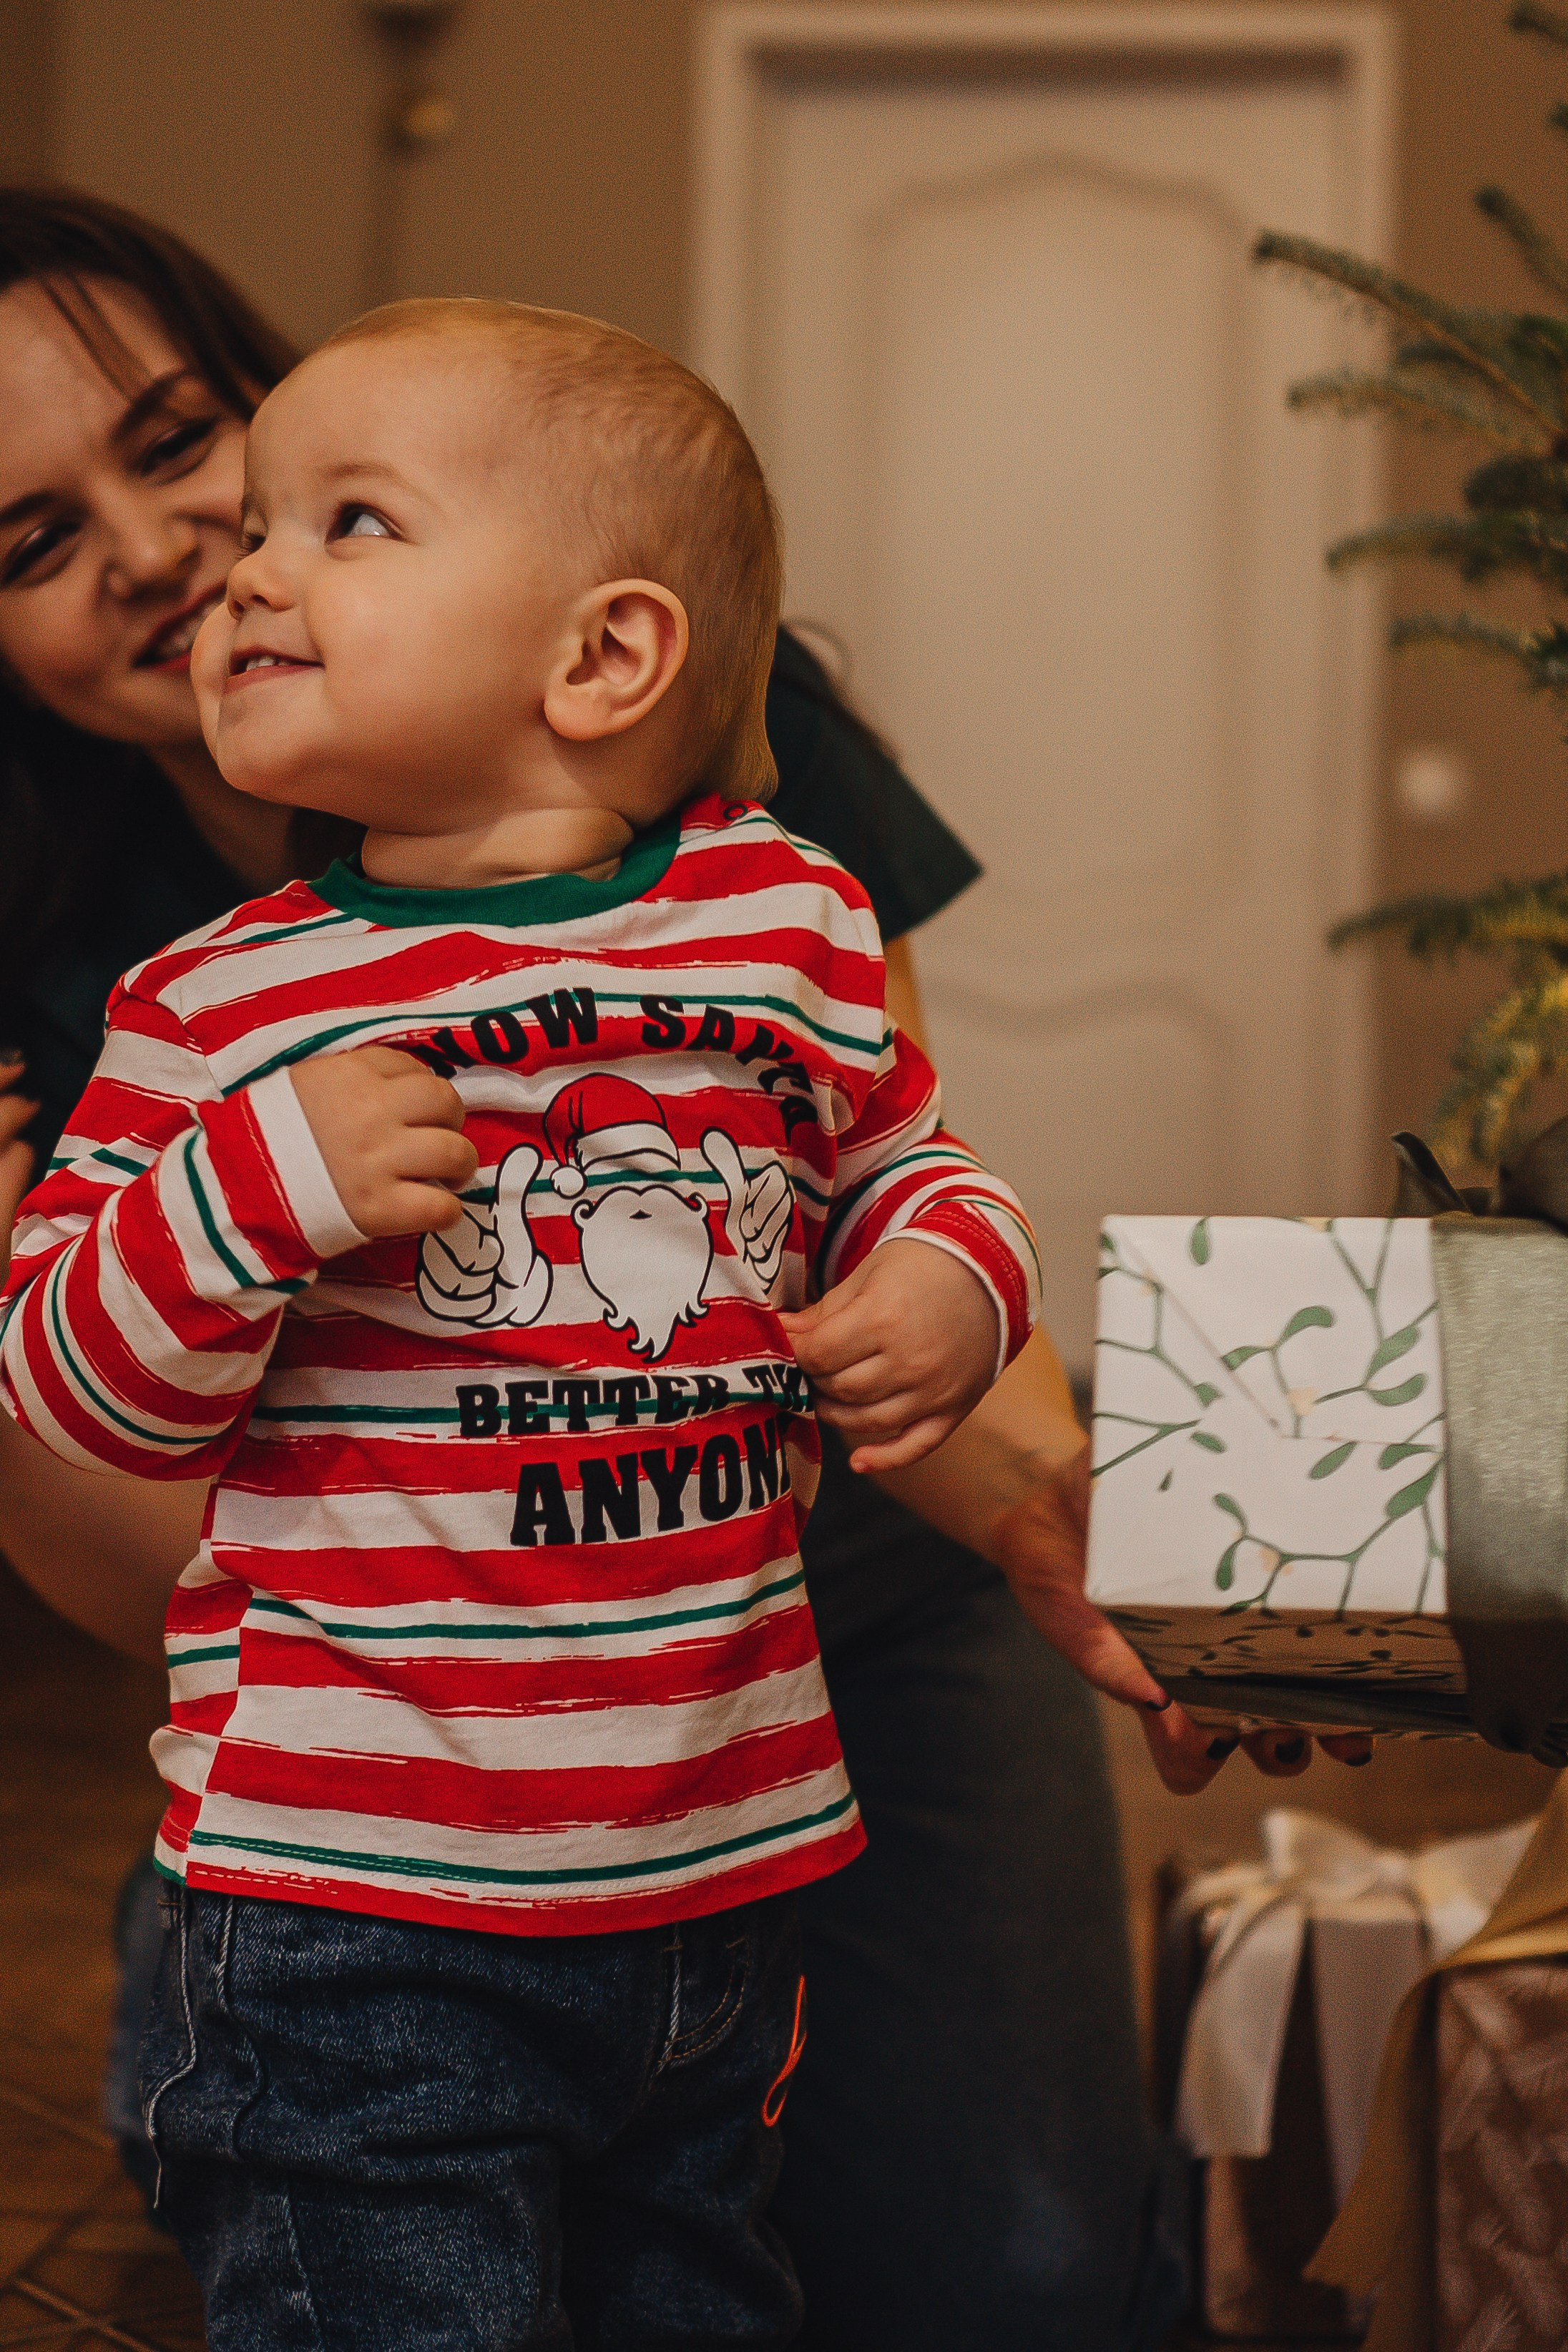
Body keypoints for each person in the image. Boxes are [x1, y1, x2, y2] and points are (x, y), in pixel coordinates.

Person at [0, 189, 1366, 2352]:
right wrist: (226, 1203)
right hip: (378, 1790)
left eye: (200, 458)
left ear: (606, 654)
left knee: (976, 2275)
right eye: (32, 545)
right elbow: (107, 1496)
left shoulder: (760, 872)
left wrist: (1007, 1416)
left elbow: (887, 1172)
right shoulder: (179, 999)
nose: (186, 557)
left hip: (763, 1709)